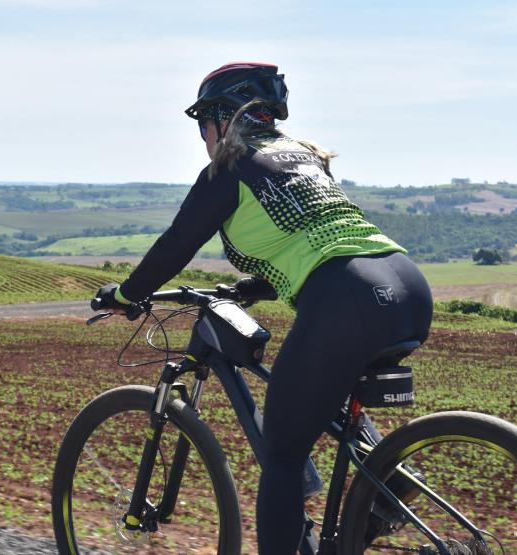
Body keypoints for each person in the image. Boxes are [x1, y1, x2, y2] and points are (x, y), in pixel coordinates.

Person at [93, 62, 433, 554]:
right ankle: (384, 489)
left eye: (202, 124)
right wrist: (258, 284)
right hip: (404, 285)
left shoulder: (228, 169)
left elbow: (175, 246)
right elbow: (314, 238)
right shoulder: (304, 156)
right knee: (324, 396)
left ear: (221, 118)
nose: (201, 137)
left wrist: (125, 295)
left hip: (347, 296)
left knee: (282, 454)